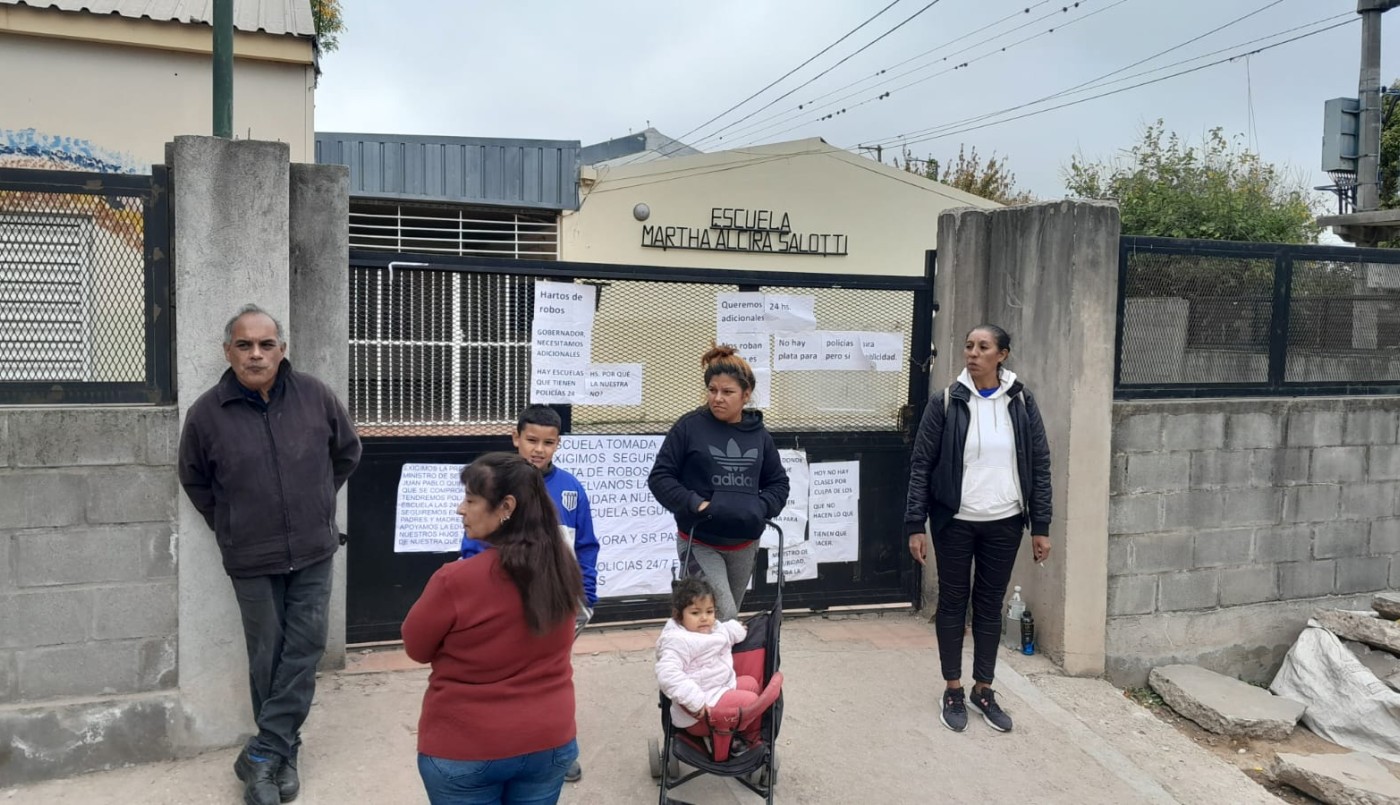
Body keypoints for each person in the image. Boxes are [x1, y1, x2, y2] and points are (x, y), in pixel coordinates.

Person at [178, 304, 362, 805]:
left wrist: (316, 503)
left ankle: (265, 753)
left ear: (282, 350)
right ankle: (281, 752)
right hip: (251, 555)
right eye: (244, 345)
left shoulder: (315, 395)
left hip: (313, 549)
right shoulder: (207, 414)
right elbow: (194, 479)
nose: (255, 354)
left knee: (305, 648)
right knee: (268, 655)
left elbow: (347, 452)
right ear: (228, 352)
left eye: (266, 344)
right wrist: (230, 523)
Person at [404, 452, 583, 805]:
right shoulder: (562, 569)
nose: (461, 509)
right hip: (549, 740)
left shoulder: (454, 580)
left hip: (465, 747)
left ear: (506, 507)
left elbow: (416, 648)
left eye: (471, 500)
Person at [904, 324, 1052, 735]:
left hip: (1005, 521)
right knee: (953, 603)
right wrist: (915, 523)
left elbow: (1039, 464)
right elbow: (921, 465)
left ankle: (983, 689)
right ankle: (953, 688)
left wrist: (1041, 524)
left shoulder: (1021, 402)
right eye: (969, 346)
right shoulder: (946, 402)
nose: (973, 353)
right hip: (954, 521)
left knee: (989, 605)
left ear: (1002, 355)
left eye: (983, 347)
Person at [458, 403, 599, 783]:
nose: (539, 449)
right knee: (500, 677)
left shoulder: (571, 489)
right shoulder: (494, 485)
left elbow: (586, 545)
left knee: (553, 678)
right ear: (515, 438)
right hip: (503, 607)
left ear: (558, 444)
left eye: (548, 443)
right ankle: (498, 748)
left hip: (556, 604)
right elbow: (472, 544)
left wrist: (586, 594)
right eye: (531, 440)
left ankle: (558, 750)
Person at [648, 344, 789, 622]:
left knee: (716, 624)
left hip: (744, 544)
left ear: (746, 395)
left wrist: (759, 508)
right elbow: (660, 477)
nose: (717, 398)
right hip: (700, 540)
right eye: (712, 390)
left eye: (727, 392)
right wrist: (696, 504)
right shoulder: (689, 427)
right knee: (724, 616)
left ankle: (701, 653)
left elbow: (778, 484)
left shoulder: (759, 435)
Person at [655, 576, 768, 759]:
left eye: (709, 611)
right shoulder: (678, 641)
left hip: (717, 689)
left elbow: (725, 632)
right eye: (695, 613)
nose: (704, 618)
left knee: (751, 684)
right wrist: (696, 702)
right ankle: (718, 735)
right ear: (679, 616)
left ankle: (728, 732)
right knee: (752, 702)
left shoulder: (712, 628)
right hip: (699, 710)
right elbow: (668, 675)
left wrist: (737, 629)